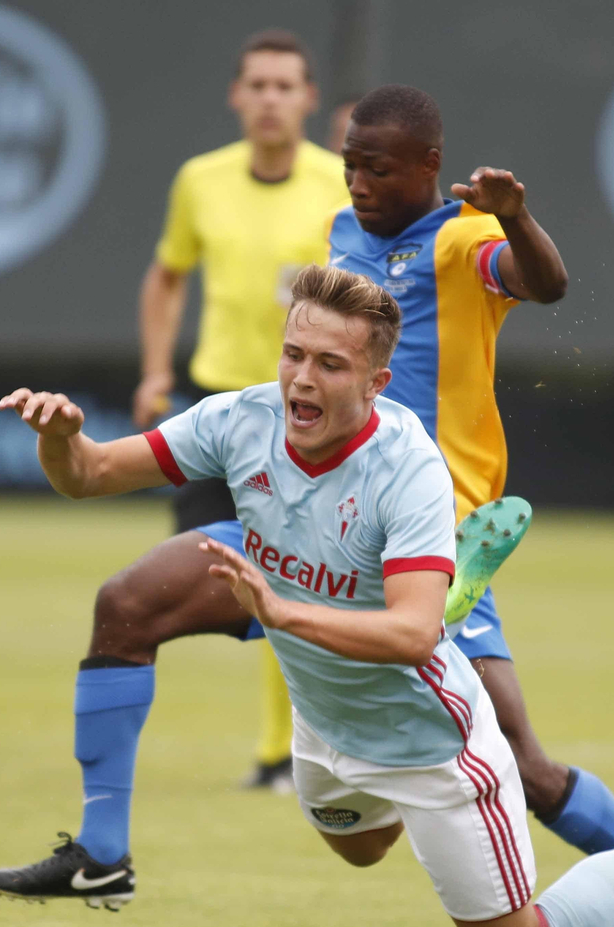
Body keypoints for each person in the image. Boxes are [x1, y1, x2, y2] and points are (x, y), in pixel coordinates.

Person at [0, 82, 614, 927]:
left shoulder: (462, 240)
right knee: (129, 604)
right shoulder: (342, 240)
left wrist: (516, 217)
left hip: (421, 533)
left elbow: (547, 284)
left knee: (523, 765)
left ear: (429, 167)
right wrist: (69, 440)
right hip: (307, 506)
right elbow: (99, 468)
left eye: (376, 168)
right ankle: (103, 851)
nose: (357, 183)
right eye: (349, 165)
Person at [134, 29, 350, 792]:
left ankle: (282, 753)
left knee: (291, 579)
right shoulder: (201, 180)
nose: (269, 99)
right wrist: (155, 370)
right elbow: (167, 275)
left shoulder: (338, 183)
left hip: (305, 413)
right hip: (218, 406)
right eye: (257, 85)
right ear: (236, 95)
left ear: (309, 98)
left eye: (284, 86)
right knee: (199, 577)